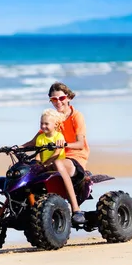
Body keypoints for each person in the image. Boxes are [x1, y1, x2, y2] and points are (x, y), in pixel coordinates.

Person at [21, 82, 90, 225]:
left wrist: (65, 144)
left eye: (61, 98)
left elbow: (80, 144)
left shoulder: (76, 116)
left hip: (75, 158)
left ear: (69, 97)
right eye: (54, 99)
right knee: (29, 167)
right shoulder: (51, 118)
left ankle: (76, 209)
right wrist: (16, 147)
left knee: (58, 163)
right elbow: (34, 142)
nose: (58, 102)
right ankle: (30, 209)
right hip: (54, 157)